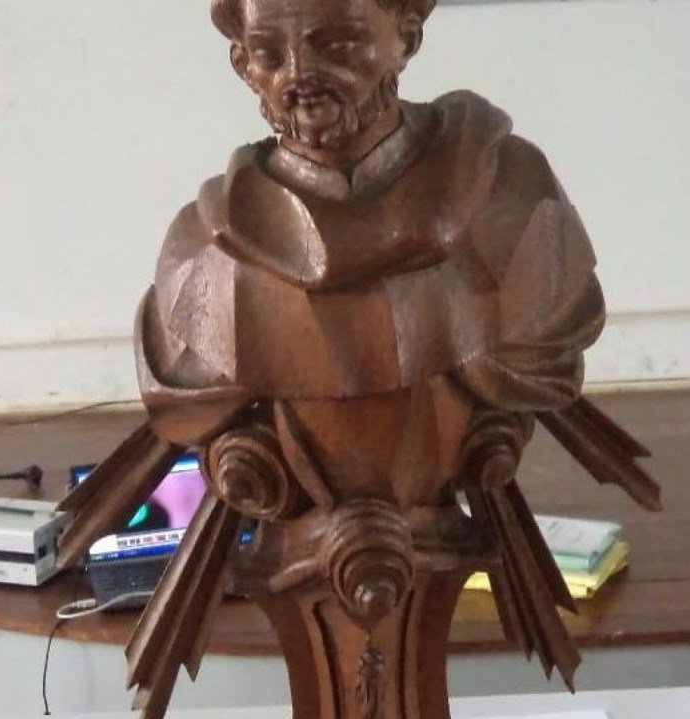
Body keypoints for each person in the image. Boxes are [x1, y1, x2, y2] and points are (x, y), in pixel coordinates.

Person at [57, 1, 656, 715]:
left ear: (406, 35)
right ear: (241, 63)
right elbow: (190, 394)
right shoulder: (209, 258)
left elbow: (543, 345)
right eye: (269, 53)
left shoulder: (509, 200)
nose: (299, 76)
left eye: (336, 44)